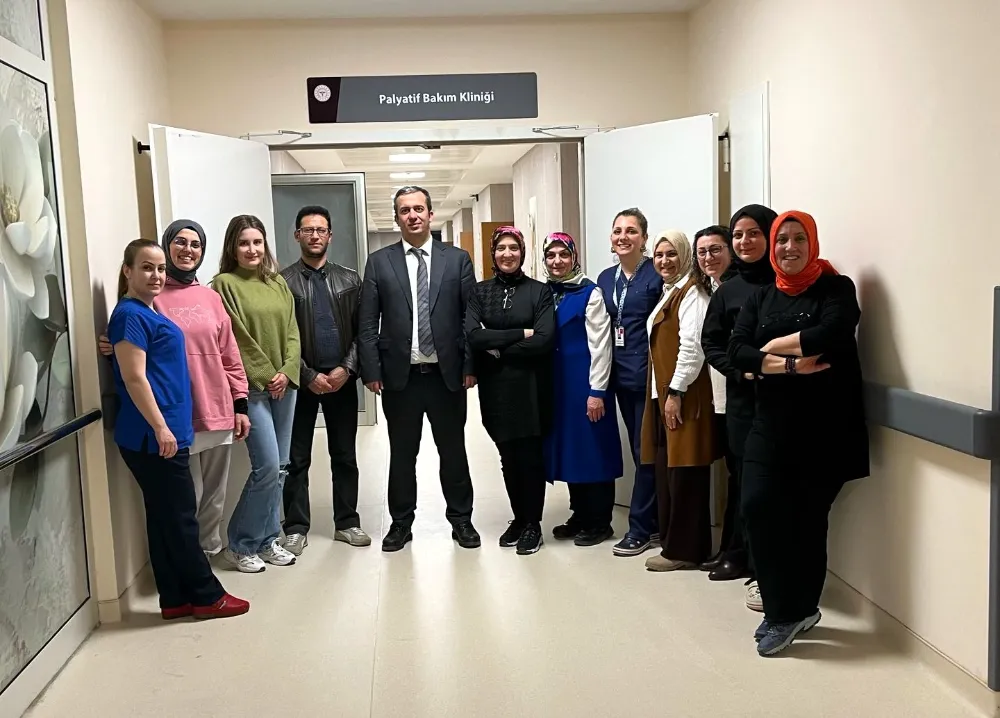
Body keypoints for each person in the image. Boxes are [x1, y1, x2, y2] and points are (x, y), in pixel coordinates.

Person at [728, 210, 868, 657]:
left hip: (824, 429)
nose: (789, 248)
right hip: (769, 425)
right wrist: (790, 365)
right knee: (756, 508)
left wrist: (769, 348)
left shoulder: (836, 288)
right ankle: (781, 608)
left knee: (805, 523)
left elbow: (832, 331)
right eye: (782, 240)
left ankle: (796, 611)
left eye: (798, 239)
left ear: (812, 243)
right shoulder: (762, 296)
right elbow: (735, 350)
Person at [108, 239, 249, 620]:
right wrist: (161, 428)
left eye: (159, 268)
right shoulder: (130, 315)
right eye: (146, 267)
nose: (156, 275)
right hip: (152, 436)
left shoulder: (147, 311)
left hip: (164, 431)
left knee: (164, 518)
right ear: (128, 271)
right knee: (182, 517)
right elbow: (134, 378)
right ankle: (207, 595)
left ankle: (173, 598)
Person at [358, 186, 480, 552]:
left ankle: (462, 521)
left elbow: (470, 317)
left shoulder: (456, 259)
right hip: (401, 378)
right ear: (396, 218)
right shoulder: (379, 262)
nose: (412, 215)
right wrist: (371, 371)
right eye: (404, 210)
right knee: (402, 454)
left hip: (447, 377)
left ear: (430, 214)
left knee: (453, 452)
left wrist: (470, 364)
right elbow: (368, 322)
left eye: (418, 209)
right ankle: (400, 524)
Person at [213, 215, 301, 573]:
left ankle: (267, 540)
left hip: (285, 387)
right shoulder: (224, 285)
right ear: (232, 248)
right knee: (265, 466)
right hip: (252, 390)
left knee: (280, 468)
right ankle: (240, 544)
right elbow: (236, 339)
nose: (252, 249)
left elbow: (293, 331)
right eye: (244, 243)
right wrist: (267, 376)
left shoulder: (277, 283)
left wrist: (287, 372)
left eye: (257, 242)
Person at [279, 205, 369, 556]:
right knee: (296, 458)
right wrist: (306, 374)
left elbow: (364, 331)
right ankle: (295, 527)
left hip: (340, 380)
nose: (314, 235)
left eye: (320, 230)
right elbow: (280, 338)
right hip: (301, 383)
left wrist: (347, 368)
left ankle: (346, 522)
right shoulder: (282, 283)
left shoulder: (350, 280)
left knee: (344, 455)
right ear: (297, 235)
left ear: (330, 235)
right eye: (308, 230)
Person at [701, 205, 778, 607]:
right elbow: (711, 342)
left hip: (787, 402)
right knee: (744, 481)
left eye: (754, 233)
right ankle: (743, 555)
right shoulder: (728, 290)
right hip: (744, 402)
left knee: (775, 488)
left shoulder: (787, 282)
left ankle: (768, 566)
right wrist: (741, 370)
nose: (745, 241)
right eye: (738, 235)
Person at [465, 227, 555, 554]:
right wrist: (521, 333)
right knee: (508, 456)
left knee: (530, 456)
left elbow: (544, 340)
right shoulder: (479, 292)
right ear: (493, 253)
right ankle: (519, 518)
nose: (507, 254)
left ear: (522, 253)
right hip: (495, 389)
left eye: (513, 248)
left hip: (530, 386)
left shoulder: (539, 292)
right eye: (501, 248)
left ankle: (533, 524)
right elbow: (474, 336)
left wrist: (497, 348)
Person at [640, 230, 716, 572]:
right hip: (665, 395)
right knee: (669, 471)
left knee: (686, 472)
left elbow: (693, 348)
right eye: (659, 255)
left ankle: (686, 550)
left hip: (683, 397)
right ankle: (675, 544)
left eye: (671, 254)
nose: (664, 261)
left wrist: (676, 393)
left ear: (684, 256)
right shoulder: (670, 291)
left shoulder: (692, 293)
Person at [543, 232, 623, 546]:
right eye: (551, 255)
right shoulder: (546, 293)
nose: (557, 261)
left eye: (564, 254)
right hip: (559, 385)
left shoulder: (590, 293)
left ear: (574, 257)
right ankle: (579, 514)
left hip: (585, 384)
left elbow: (601, 346)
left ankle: (600, 521)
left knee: (593, 450)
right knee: (572, 450)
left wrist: (597, 391)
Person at [596, 208, 665, 557]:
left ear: (644, 238)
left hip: (648, 376)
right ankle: (654, 523)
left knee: (646, 452)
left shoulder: (656, 274)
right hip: (620, 376)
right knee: (641, 454)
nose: (623, 237)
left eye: (631, 231)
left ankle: (640, 528)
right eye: (617, 230)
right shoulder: (606, 278)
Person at [691, 224, 748, 582]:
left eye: (716, 249)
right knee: (733, 476)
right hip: (721, 398)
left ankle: (738, 554)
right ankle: (729, 548)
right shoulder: (713, 289)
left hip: (740, 395)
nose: (708, 257)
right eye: (702, 252)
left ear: (731, 251)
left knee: (742, 478)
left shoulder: (740, 290)